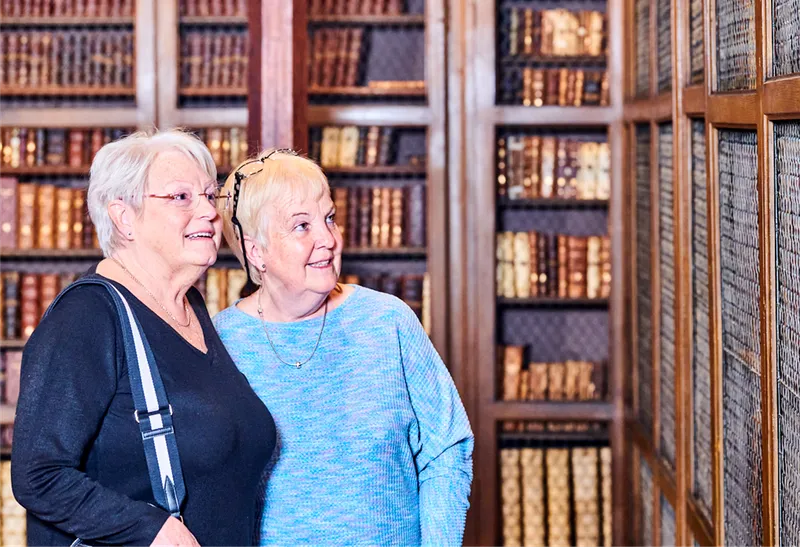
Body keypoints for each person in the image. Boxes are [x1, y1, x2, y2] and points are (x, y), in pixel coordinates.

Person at [11, 129, 276, 547]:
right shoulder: (86, 317)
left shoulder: (191, 307)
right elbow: (37, 475)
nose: (208, 211)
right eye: (181, 197)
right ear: (124, 218)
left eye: (210, 195)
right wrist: (149, 529)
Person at [213, 148, 474, 546]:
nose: (328, 239)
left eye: (329, 218)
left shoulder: (388, 321)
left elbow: (446, 447)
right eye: (302, 226)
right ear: (256, 250)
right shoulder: (221, 340)